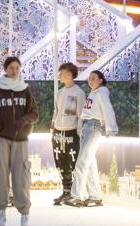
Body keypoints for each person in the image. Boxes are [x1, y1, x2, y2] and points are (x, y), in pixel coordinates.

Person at [0, 56, 38, 226]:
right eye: (11, 67)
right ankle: (1, 210)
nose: (14, 70)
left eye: (17, 67)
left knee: (21, 176)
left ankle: (24, 213)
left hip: (21, 139)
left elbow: (34, 113)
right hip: (1, 138)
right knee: (0, 174)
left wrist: (24, 120)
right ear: (6, 69)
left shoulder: (25, 89)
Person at [66, 70, 118, 208]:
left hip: (93, 127)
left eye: (94, 78)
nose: (90, 80)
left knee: (82, 162)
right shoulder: (95, 93)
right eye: (89, 78)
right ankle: (94, 196)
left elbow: (108, 109)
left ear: (101, 80)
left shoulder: (101, 93)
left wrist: (111, 128)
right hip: (88, 127)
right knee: (89, 163)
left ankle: (77, 196)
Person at [52, 62, 85, 206]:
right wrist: (53, 128)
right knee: (60, 162)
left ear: (70, 74)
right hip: (58, 132)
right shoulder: (60, 92)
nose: (59, 75)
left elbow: (81, 115)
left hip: (72, 132)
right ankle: (65, 190)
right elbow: (56, 111)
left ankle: (75, 192)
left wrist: (79, 133)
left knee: (73, 162)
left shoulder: (79, 92)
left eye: (62, 73)